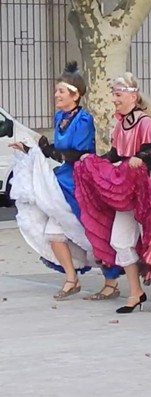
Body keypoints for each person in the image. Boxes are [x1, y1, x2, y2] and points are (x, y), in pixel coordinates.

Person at [9, 61, 122, 300]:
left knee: (90, 230)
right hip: (62, 180)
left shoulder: (84, 120)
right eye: (57, 91)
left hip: (80, 180)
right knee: (54, 234)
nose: (56, 95)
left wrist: (48, 151)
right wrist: (31, 150)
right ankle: (72, 279)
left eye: (61, 91)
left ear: (75, 95)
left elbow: (78, 154)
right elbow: (54, 150)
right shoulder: (60, 116)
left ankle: (111, 282)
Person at [74, 73, 151, 313]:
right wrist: (92, 161)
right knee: (120, 240)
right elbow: (115, 155)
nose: (114, 99)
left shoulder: (144, 122)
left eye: (118, 94)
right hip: (127, 188)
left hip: (149, 185)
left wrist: (141, 156)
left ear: (132, 96)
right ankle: (136, 292)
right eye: (114, 95)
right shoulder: (121, 125)